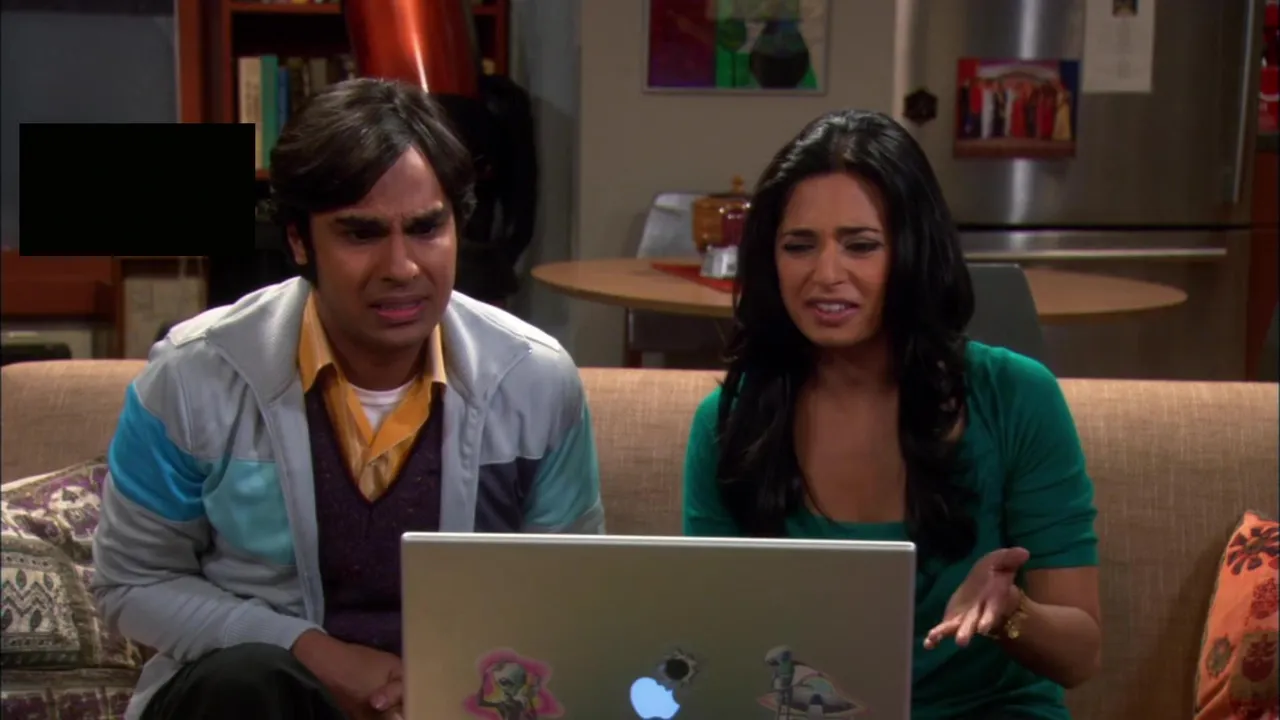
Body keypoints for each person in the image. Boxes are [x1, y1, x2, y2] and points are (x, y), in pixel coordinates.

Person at [91, 78, 605, 720]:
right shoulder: (194, 378)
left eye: (426, 228)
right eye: (361, 234)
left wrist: (451, 685)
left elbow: (568, 594)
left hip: (460, 700)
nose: (402, 267)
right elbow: (132, 583)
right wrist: (309, 651)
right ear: (299, 241)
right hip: (262, 699)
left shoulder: (536, 382)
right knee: (246, 683)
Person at [681, 110, 1101, 719]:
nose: (827, 275)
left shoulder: (1015, 397)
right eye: (800, 246)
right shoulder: (730, 424)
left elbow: (1081, 656)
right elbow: (714, 640)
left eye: (861, 245)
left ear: (913, 252)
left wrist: (1011, 615)